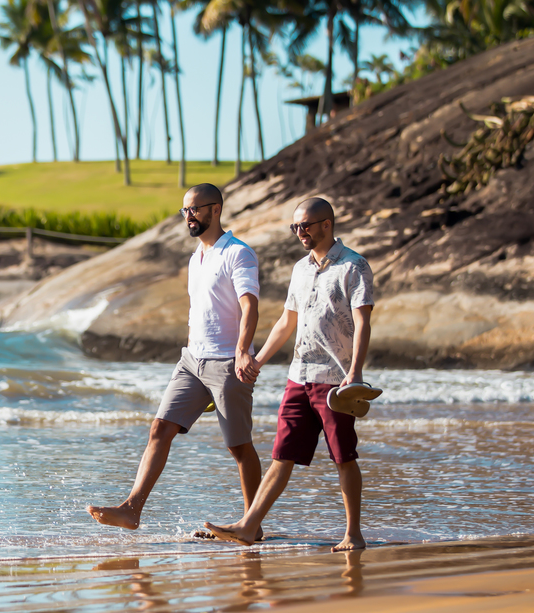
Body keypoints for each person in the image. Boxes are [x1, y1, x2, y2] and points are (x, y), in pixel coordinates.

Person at [86, 183, 262, 535]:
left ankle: (251, 524)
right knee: (160, 428)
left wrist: (243, 351)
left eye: (195, 209)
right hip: (192, 360)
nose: (189, 216)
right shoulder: (196, 258)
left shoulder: (238, 253)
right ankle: (131, 509)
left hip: (227, 361)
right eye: (185, 210)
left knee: (239, 447)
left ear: (216, 210)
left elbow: (250, 306)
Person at [203, 197, 374, 552]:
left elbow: (362, 322)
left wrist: (355, 372)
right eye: (295, 227)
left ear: (327, 224)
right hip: (299, 376)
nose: (300, 232)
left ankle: (353, 534)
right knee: (282, 454)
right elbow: (286, 322)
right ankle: (249, 526)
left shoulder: (354, 266)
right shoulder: (300, 269)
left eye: (306, 226)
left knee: (343, 455)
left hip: (335, 379)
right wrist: (257, 359)